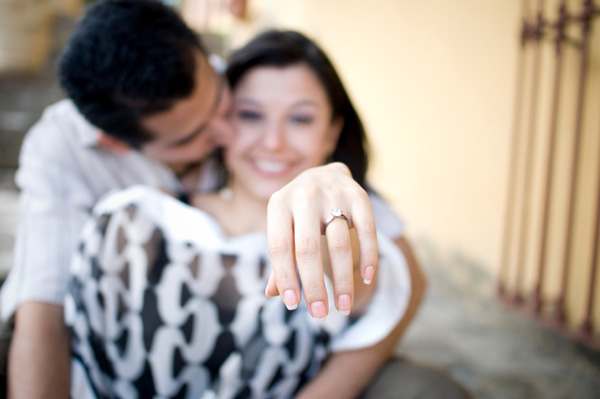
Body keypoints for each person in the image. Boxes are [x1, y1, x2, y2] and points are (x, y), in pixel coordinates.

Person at [0, 1, 424, 398]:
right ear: (118, 144)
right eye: (248, 114)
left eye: (224, 104)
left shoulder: (245, 76)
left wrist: (328, 182)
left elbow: (385, 274)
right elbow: (43, 307)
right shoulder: (80, 165)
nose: (265, 141)